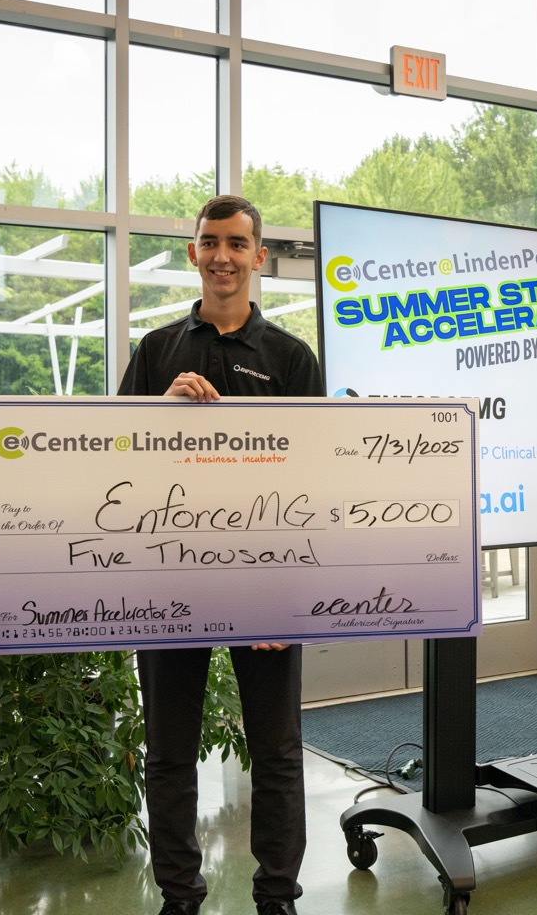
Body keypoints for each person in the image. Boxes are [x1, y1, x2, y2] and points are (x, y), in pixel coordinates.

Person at [119, 195, 323, 915]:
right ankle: (180, 897)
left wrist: (283, 596)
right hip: (172, 583)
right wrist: (157, 413)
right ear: (193, 254)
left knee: (276, 752)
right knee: (170, 752)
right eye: (210, 242)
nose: (223, 256)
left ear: (258, 256)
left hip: (264, 588)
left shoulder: (293, 359)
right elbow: (118, 467)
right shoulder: (155, 353)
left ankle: (277, 898)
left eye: (237, 243)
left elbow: (312, 483)